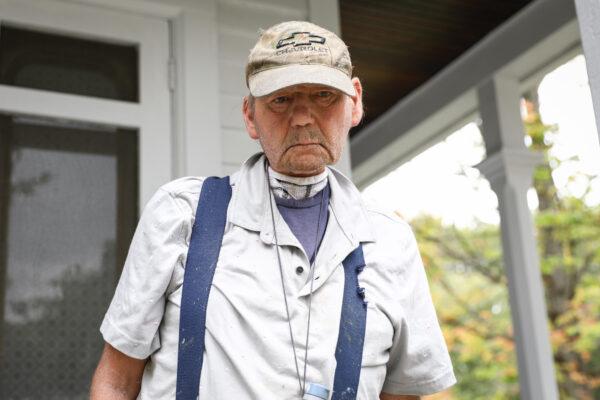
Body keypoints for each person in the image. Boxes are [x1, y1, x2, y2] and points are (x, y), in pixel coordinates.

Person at [90, 21, 456, 400]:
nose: (302, 117)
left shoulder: (390, 241)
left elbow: (402, 393)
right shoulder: (183, 214)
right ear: (250, 114)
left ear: (356, 102)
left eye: (324, 95)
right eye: (280, 99)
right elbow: (117, 380)